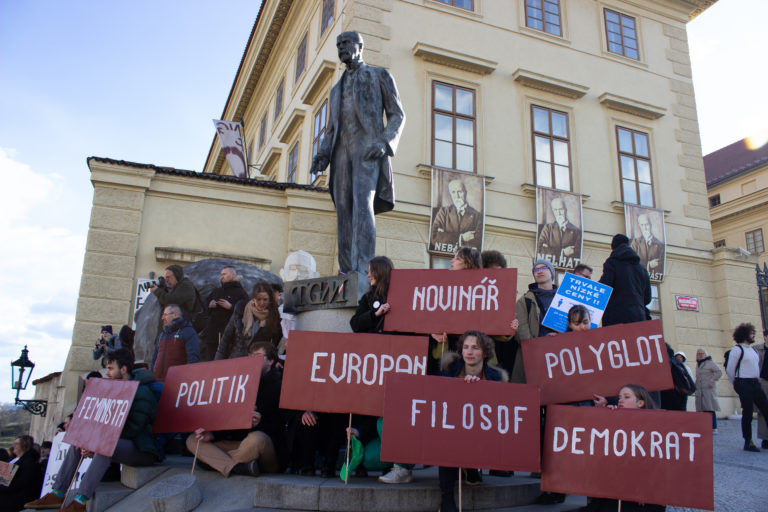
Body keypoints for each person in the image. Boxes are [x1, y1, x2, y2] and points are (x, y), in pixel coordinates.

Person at [308, 31, 405, 290]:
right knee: (343, 211)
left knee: (363, 207)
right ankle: (346, 270)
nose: (341, 48)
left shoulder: (379, 75)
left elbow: (397, 115)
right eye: (338, 45)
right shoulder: (336, 88)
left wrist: (384, 143)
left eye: (346, 43)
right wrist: (322, 155)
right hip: (341, 153)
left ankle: (364, 270)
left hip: (367, 150)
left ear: (360, 46)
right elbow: (331, 128)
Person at [26, 349, 160, 511]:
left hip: (142, 448)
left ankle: (80, 501)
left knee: (104, 448)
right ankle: (58, 493)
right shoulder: (110, 388)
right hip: (115, 442)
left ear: (123, 369)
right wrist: (89, 441)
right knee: (78, 442)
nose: (107, 372)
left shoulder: (142, 392)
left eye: (111, 368)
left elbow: (134, 429)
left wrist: (96, 444)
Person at [186, 342, 287, 477]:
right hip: (238, 445)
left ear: (270, 361)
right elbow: (229, 421)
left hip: (263, 447)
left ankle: (214, 462)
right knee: (193, 440)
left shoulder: (280, 387)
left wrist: (259, 423)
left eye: (257, 356)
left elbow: (282, 426)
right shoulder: (238, 384)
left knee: (256, 439)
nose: (251, 359)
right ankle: (237, 467)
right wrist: (214, 435)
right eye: (250, 355)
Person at [437, 331, 508, 512]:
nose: (469, 352)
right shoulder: (448, 369)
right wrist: (461, 386)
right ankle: (446, 497)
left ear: (485, 353)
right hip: (451, 429)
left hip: (481, 432)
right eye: (466, 347)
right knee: (446, 444)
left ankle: (471, 466)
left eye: (475, 348)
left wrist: (480, 390)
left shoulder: (496, 377)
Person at [589, 385, 665, 512]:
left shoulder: (653, 430)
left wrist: (645, 489)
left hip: (642, 496)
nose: (620, 400)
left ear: (640, 403)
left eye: (626, 397)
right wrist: (605, 413)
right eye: (619, 397)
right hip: (615, 491)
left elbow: (656, 465)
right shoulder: (615, 419)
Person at [511, 259, 558, 383]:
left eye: (544, 268)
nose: (539, 271)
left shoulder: (564, 298)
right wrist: (542, 343)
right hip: (533, 358)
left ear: (552, 272)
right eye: (536, 269)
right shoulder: (524, 301)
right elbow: (522, 333)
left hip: (558, 356)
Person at [725, 323, 768, 452]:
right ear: (744, 335)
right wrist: (736, 383)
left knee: (766, 409)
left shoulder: (752, 349)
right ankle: (748, 441)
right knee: (748, 413)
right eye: (751, 333)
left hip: (755, 383)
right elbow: (730, 369)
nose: (753, 335)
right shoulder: (737, 350)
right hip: (744, 383)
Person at [216, 282, 282, 360]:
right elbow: (226, 338)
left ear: (270, 299)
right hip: (236, 359)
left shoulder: (274, 316)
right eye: (259, 299)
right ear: (253, 298)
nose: (262, 303)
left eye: (265, 299)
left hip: (257, 361)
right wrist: (217, 361)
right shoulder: (241, 310)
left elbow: (276, 343)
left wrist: (276, 361)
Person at [599, 234, 651, 326]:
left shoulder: (612, 263)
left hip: (616, 317)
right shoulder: (642, 269)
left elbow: (604, 288)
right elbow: (647, 298)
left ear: (614, 247)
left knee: (616, 340)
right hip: (639, 316)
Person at [200, 266, 249, 361]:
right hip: (212, 334)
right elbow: (204, 307)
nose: (221, 277)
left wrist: (231, 307)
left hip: (229, 336)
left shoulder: (241, 292)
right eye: (221, 274)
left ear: (233, 275)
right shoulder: (216, 291)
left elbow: (246, 310)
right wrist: (210, 305)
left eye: (224, 274)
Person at [430, 178, 482, 253]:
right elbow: (434, 237)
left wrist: (445, 235)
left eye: (460, 192)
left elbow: (478, 242)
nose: (457, 196)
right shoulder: (444, 212)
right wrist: (461, 238)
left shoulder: (477, 215)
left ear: (465, 193)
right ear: (450, 194)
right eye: (453, 192)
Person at [150, 304, 200, 382]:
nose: (162, 318)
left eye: (165, 315)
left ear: (175, 315)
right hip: (157, 383)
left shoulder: (188, 332)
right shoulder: (162, 334)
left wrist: (187, 380)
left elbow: (193, 358)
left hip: (176, 383)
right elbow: (154, 358)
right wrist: (151, 376)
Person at [350, 256, 393, 333]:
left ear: (380, 272)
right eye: (368, 272)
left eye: (371, 272)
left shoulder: (397, 295)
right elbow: (355, 324)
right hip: (372, 342)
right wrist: (375, 314)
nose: (368, 275)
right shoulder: (368, 297)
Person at [0, 435, 43, 511]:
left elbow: (21, 482)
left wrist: (3, 487)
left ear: (25, 445)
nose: (14, 446)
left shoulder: (29, 462)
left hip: (17, 501)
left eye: (16, 444)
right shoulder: (19, 461)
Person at [536, 196, 581, 268]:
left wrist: (550, 249)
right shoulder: (548, 228)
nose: (558, 213)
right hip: (548, 267)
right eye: (555, 210)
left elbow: (577, 252)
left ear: (566, 210)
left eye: (561, 209)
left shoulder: (576, 231)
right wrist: (562, 252)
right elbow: (540, 249)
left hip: (567, 268)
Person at [695, 348, 722, 433]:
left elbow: (719, 372)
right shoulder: (698, 364)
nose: (700, 355)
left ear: (705, 354)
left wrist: (712, 380)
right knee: (701, 409)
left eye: (701, 353)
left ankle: (713, 427)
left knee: (709, 408)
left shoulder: (710, 363)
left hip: (708, 389)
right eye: (698, 354)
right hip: (700, 389)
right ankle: (704, 427)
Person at [631, 213, 665, 280]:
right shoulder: (635, 243)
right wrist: (648, 265)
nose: (645, 228)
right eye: (642, 225)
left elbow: (661, 264)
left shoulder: (660, 244)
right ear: (639, 226)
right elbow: (632, 262)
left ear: (650, 225)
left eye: (646, 224)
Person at [756, 330, 768, 448]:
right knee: (763, 411)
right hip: (763, 382)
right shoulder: (757, 349)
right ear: (765, 337)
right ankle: (765, 438)